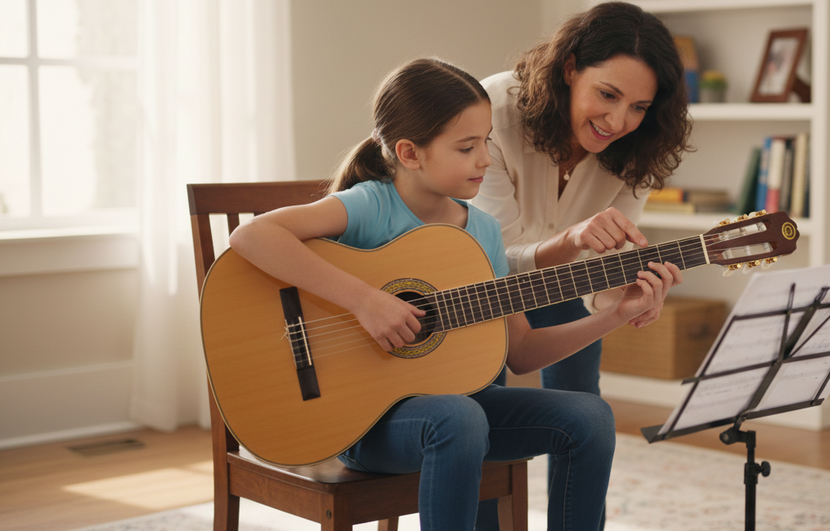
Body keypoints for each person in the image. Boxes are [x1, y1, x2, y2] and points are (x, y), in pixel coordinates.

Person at [227, 58, 681, 531]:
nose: (485, 158)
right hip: (365, 424)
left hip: (459, 417)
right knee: (459, 416)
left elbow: (522, 352)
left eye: (485, 141)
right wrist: (365, 300)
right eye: (466, 147)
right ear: (409, 152)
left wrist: (616, 314)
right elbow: (253, 236)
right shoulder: (370, 205)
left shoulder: (482, 232)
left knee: (589, 415)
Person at [472, 1, 693, 397]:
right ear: (570, 68)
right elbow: (498, 260)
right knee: (485, 401)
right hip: (476, 285)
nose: (617, 121)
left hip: (562, 284)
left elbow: (599, 271)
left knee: (586, 408)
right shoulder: (494, 112)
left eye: (638, 107)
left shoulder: (642, 148)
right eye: (608, 94)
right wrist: (572, 239)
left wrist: (629, 298)